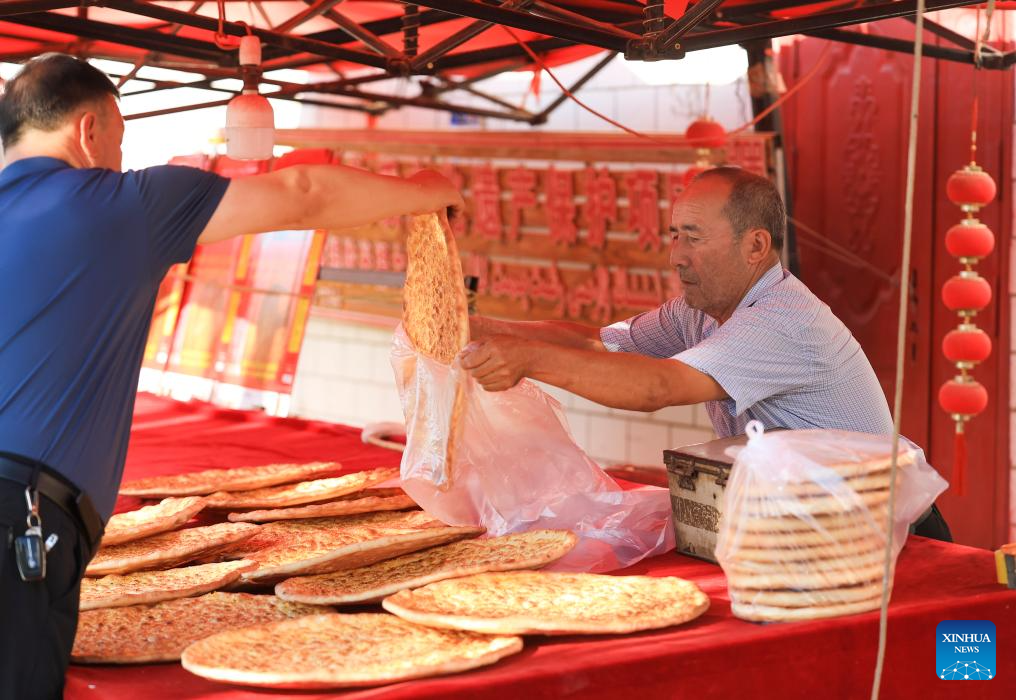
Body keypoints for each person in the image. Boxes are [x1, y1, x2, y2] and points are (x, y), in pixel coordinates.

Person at [0, 53, 462, 699]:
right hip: (19, 515)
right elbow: (306, 194)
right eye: (120, 140)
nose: (120, 159)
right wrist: (429, 191)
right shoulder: (112, 204)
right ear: (89, 129)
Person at [460, 167, 951, 530]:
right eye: (674, 235)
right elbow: (600, 343)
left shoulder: (783, 320)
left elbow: (657, 387)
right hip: (803, 524)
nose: (675, 256)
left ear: (755, 246)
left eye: (692, 239)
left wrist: (529, 358)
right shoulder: (699, 311)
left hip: (886, 533)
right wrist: (479, 327)